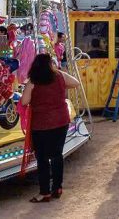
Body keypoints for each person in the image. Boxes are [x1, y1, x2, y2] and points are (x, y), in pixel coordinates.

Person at [21, 53, 81, 202]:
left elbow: (24, 101)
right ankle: (57, 187)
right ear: (51, 64)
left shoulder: (32, 81)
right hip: (60, 121)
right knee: (56, 155)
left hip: (41, 124)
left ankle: (44, 192)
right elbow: (76, 83)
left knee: (42, 159)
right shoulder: (59, 76)